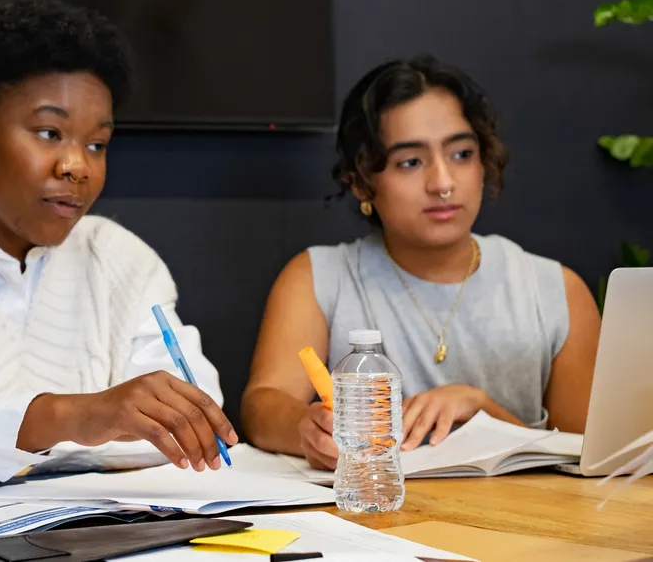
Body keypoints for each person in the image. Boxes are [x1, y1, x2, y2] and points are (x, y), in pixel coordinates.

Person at [0, 0, 237, 497]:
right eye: (49, 133)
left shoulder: (121, 260)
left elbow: (193, 420)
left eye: (97, 144)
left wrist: (3, 459)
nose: (77, 166)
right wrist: (76, 417)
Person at [241, 54, 601, 470]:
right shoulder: (318, 277)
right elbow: (263, 406)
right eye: (410, 162)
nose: (443, 183)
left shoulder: (555, 289)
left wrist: (484, 415)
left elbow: (590, 460)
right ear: (360, 182)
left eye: (462, 154)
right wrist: (307, 429)